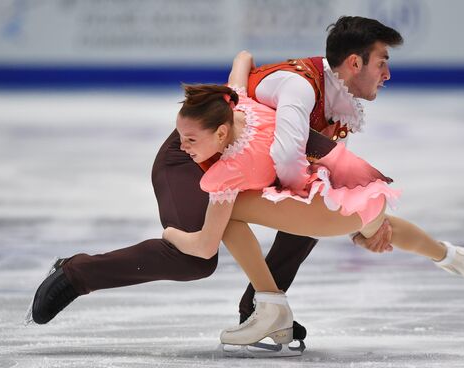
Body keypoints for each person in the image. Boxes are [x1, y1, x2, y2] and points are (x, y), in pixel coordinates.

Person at [27, 16, 404, 342]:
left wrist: (362, 219)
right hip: (190, 160)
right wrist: (360, 220)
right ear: (355, 63)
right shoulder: (300, 87)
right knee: (194, 260)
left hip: (242, 163)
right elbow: (289, 160)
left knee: (308, 214)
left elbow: (246, 65)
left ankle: (259, 309)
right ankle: (77, 273)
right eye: (382, 63)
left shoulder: (337, 105)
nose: (387, 74)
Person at [162, 63, 464, 348]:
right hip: (360, 186)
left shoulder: (225, 174)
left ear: (221, 133)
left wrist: (172, 235)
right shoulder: (245, 106)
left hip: (332, 210)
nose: (183, 147)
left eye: (190, 139)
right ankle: (449, 255)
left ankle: (271, 304)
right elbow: (242, 60)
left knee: (226, 213)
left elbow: (205, 247)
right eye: (181, 138)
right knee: (379, 223)